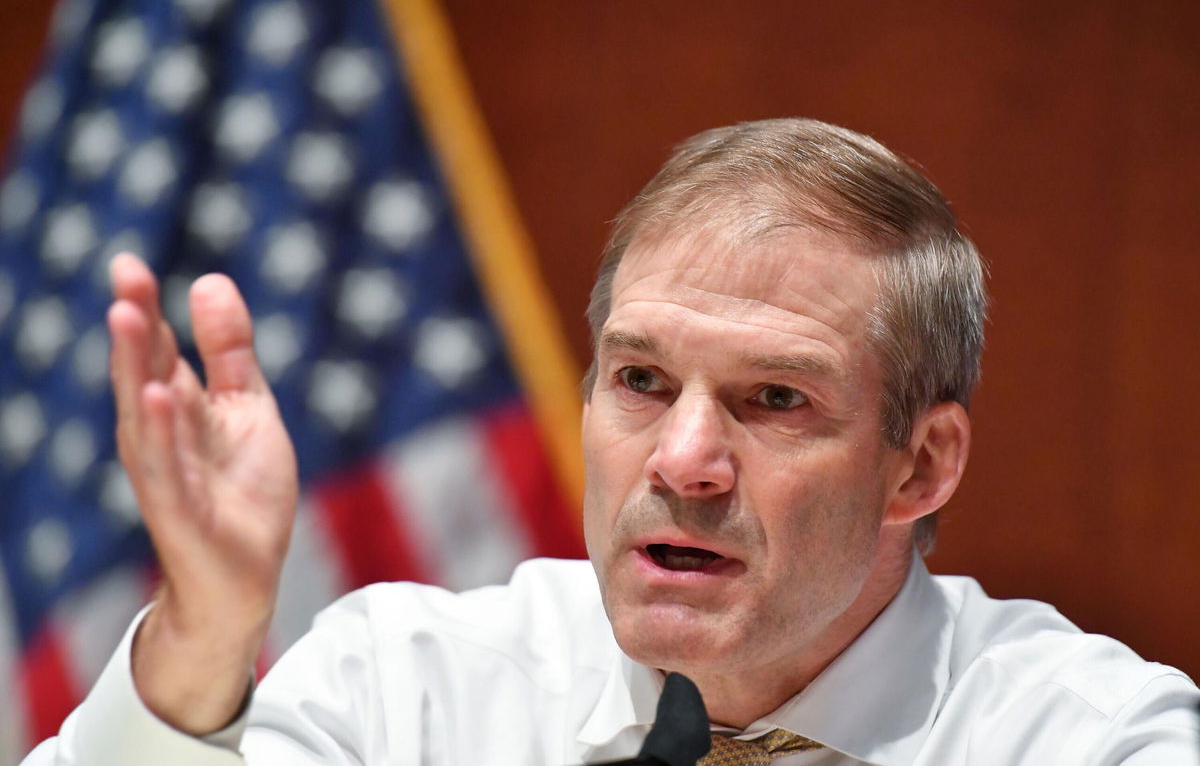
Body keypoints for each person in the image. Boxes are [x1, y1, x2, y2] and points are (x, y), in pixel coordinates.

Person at [20, 119, 1200, 765]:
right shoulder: (406, 694)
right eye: (640, 379)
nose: (683, 460)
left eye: (775, 400)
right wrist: (207, 637)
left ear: (922, 465)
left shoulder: (1086, 736)